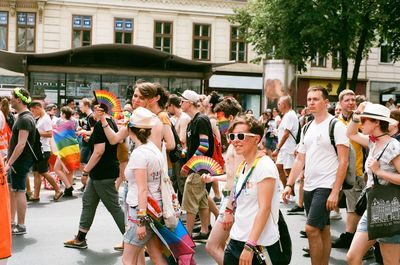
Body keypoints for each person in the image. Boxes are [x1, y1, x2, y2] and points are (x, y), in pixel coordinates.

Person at [282, 86, 349, 265]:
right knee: (323, 229)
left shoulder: (336, 125)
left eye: (316, 99)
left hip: (326, 185)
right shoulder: (307, 127)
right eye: (309, 99)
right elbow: (299, 160)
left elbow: (344, 161)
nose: (311, 102)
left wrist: (335, 191)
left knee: (311, 229)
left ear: (326, 102)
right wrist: (289, 184)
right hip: (310, 185)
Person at [222, 115, 282, 265]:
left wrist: (249, 246)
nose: (235, 140)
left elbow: (264, 209)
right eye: (232, 136)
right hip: (237, 238)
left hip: (258, 244)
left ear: (256, 139)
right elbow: (237, 192)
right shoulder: (243, 164)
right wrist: (228, 211)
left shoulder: (264, 166)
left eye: (241, 136)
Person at [64, 103, 125, 249]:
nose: (93, 112)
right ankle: (80, 238)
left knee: (114, 207)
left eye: (96, 109)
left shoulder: (101, 125)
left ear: (102, 111)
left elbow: (99, 151)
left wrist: (86, 170)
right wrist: (89, 137)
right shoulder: (110, 123)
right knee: (88, 203)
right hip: (102, 172)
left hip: (102, 172)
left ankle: (133, 241)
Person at [346, 103, 400, 265]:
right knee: (352, 257)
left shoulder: (394, 146)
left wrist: (379, 172)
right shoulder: (372, 142)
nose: (361, 124)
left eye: (364, 120)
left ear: (376, 122)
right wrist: (356, 115)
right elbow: (350, 133)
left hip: (390, 208)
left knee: (390, 261)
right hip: (372, 207)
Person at [122, 107, 167, 265]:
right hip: (156, 208)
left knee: (128, 258)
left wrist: (140, 221)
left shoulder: (139, 153)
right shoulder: (154, 149)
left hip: (142, 210)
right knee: (156, 255)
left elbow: (142, 189)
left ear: (130, 129)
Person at [203, 97, 243, 265]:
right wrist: (213, 178)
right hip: (232, 200)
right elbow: (233, 175)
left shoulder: (237, 144)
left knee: (213, 246)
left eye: (220, 118)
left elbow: (239, 178)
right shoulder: (234, 142)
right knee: (225, 246)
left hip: (234, 201)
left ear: (231, 118)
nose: (218, 122)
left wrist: (228, 208)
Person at [332, 90, 366, 249]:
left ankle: (349, 236)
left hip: (355, 173)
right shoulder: (334, 122)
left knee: (353, 208)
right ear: (340, 103)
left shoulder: (361, 121)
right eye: (347, 100)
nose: (351, 102)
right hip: (334, 172)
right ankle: (319, 237)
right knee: (328, 204)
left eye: (353, 99)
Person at [179, 89, 214, 239]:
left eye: (182, 101)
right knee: (202, 201)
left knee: (191, 203)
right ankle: (205, 230)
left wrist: (189, 164)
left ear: (188, 103)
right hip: (201, 167)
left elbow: (204, 145)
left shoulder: (200, 120)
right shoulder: (194, 121)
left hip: (198, 168)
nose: (180, 103)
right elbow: (197, 146)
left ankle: (187, 235)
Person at [4, 88, 36, 235]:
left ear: (18, 99)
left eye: (12, 97)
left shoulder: (24, 119)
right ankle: (11, 222)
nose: (10, 99)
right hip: (16, 161)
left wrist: (9, 163)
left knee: (19, 191)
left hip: (20, 162)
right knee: (13, 190)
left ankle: (21, 225)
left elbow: (21, 144)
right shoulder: (23, 117)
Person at [28, 101, 63, 201]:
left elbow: (49, 134)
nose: (33, 113)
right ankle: (36, 195)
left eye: (33, 110)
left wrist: (35, 132)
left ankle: (58, 190)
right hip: (38, 150)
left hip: (43, 150)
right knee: (36, 172)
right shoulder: (40, 119)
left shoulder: (46, 119)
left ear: (38, 108)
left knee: (43, 172)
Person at [166, 94, 191, 203]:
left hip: (181, 154)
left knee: (181, 181)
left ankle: (186, 207)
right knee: (175, 181)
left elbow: (182, 138)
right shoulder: (176, 118)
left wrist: (170, 138)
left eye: (167, 107)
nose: (167, 109)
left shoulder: (184, 118)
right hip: (177, 154)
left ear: (172, 105)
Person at [272, 95, 299, 188]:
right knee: (279, 167)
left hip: (288, 147)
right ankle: (286, 189)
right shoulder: (286, 115)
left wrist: (277, 148)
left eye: (279, 103)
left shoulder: (290, 115)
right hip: (284, 148)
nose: (278, 105)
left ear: (283, 104)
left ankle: (291, 192)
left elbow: (286, 134)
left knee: (288, 170)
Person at [53, 107, 76, 197]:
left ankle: (69, 187)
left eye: (61, 113)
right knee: (69, 170)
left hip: (64, 149)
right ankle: (68, 190)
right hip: (71, 148)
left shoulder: (64, 123)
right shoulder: (72, 123)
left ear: (64, 114)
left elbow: (58, 134)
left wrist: (54, 129)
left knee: (57, 169)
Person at [76, 98, 96, 190]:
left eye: (81, 106)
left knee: (84, 164)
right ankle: (86, 184)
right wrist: (82, 130)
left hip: (88, 145)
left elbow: (93, 131)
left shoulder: (91, 117)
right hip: (85, 143)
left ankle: (87, 183)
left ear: (87, 106)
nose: (80, 108)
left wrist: (83, 131)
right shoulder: (88, 117)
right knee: (83, 163)